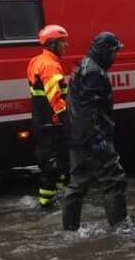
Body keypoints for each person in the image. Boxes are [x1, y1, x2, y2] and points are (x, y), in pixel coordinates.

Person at [63, 32, 128, 231]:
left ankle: (70, 230)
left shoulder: (82, 66)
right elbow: (89, 108)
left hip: (77, 136)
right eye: (114, 52)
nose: (115, 57)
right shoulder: (93, 71)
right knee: (114, 180)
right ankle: (121, 230)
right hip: (91, 137)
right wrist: (98, 140)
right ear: (105, 51)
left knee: (77, 183)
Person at [26, 24, 71, 208]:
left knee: (57, 161)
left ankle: (59, 196)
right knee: (53, 164)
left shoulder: (36, 61)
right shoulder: (50, 66)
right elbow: (56, 98)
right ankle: (47, 204)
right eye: (63, 42)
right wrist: (67, 120)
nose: (66, 45)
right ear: (52, 44)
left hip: (41, 120)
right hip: (52, 122)